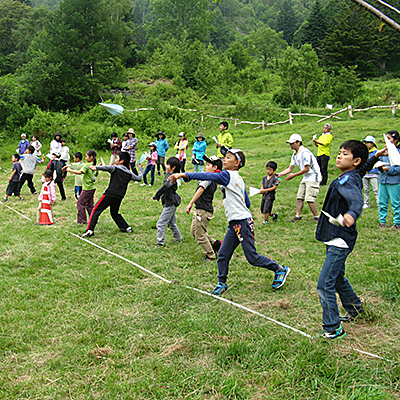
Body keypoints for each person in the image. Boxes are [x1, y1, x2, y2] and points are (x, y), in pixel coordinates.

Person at [169, 149, 290, 295]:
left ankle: (280, 269)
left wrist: (184, 174)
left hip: (242, 223)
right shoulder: (237, 178)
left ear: (237, 163)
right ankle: (222, 283)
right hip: (235, 223)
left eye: (228, 158)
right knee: (223, 254)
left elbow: (206, 175)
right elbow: (248, 202)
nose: (224, 160)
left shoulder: (228, 175)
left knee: (252, 257)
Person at [316, 140, 386, 339]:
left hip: (340, 240)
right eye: (339, 153)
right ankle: (355, 310)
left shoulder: (348, 181)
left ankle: (332, 327)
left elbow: (355, 198)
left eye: (344, 154)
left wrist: (352, 214)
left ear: (354, 160)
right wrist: (376, 156)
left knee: (324, 284)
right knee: (337, 278)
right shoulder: (354, 173)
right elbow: (363, 168)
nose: (338, 156)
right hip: (334, 238)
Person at [81, 152, 143, 238]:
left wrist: (96, 167)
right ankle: (126, 228)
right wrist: (140, 169)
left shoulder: (115, 168)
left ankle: (89, 230)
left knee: (95, 210)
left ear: (122, 161)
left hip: (109, 194)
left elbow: (106, 168)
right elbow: (139, 178)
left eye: (117, 158)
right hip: (119, 196)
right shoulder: (129, 173)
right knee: (114, 213)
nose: (115, 160)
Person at [277, 134, 321, 222]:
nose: (290, 145)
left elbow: (307, 169)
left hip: (313, 176)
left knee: (309, 199)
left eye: (292, 143)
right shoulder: (294, 154)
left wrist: (294, 175)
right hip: (306, 177)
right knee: (299, 197)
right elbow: (290, 168)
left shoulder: (305, 152)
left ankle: (317, 217)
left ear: (298, 142)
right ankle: (298, 216)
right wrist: (279, 174)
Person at [185, 155, 222, 261]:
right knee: (194, 231)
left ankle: (210, 255)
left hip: (203, 211)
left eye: (208, 165)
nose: (206, 166)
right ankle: (215, 244)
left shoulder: (208, 178)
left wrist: (191, 202)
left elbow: (201, 189)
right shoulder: (212, 178)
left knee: (200, 234)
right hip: (200, 210)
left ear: (215, 168)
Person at [153, 157, 183, 247]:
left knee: (160, 223)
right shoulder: (172, 175)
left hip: (170, 203)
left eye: (167, 165)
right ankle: (178, 238)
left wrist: (157, 195)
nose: (166, 166)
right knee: (171, 223)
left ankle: (160, 243)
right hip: (171, 202)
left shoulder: (172, 177)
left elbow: (166, 186)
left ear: (173, 168)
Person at [66, 150, 97, 224]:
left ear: (91, 157)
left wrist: (70, 170)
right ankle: (93, 219)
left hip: (87, 188)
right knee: (90, 205)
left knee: (80, 203)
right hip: (92, 187)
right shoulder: (95, 166)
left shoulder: (86, 165)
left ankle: (82, 221)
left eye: (86, 156)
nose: (85, 158)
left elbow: (80, 172)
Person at [377, 130, 400, 230]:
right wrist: (380, 167)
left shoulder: (398, 153)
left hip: (394, 181)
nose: (387, 140)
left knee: (396, 203)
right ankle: (382, 221)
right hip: (383, 180)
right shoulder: (383, 152)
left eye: (389, 138)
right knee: (382, 202)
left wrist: (389, 169)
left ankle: (397, 223)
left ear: (395, 140)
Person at [362, 135, 379, 209]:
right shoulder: (364, 152)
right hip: (365, 173)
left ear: (372, 143)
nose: (366, 144)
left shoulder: (376, 152)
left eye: (368, 142)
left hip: (374, 173)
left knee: (376, 189)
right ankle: (366, 203)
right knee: (366, 189)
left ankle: (379, 203)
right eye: (365, 142)